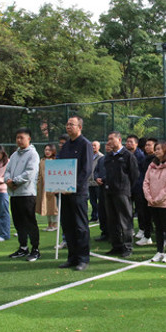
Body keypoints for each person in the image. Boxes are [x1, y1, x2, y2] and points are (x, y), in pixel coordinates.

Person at [57, 116, 93, 271]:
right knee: (67, 225)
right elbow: (59, 166)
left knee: (80, 226)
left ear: (80, 127)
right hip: (63, 193)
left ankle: (83, 258)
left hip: (78, 193)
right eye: (67, 124)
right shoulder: (65, 147)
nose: (68, 126)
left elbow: (86, 170)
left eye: (72, 124)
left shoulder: (85, 144)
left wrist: (73, 187)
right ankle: (72, 257)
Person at [4, 127, 41, 262]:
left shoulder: (33, 154)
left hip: (27, 194)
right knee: (18, 222)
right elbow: (7, 170)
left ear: (29, 139)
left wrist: (14, 181)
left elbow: (30, 173)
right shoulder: (14, 155)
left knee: (30, 222)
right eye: (17, 138)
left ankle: (35, 249)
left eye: (22, 138)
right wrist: (8, 181)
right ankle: (23, 247)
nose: (19, 140)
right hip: (14, 194)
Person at [104, 131, 140, 258]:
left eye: (111, 139)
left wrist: (125, 186)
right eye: (108, 139)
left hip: (122, 192)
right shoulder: (108, 157)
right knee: (112, 220)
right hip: (109, 191)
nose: (109, 141)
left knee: (125, 220)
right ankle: (116, 246)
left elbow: (134, 175)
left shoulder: (128, 156)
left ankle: (127, 247)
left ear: (119, 140)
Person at [143, 141, 166, 264]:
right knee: (158, 228)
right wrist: (149, 197)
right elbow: (146, 182)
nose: (156, 150)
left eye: (158, 149)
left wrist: (158, 198)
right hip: (152, 202)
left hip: (165, 202)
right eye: (156, 149)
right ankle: (159, 251)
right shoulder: (152, 164)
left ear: (165, 150)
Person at [135, 138, 157, 246]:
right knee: (146, 215)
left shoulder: (157, 159)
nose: (147, 147)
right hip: (144, 190)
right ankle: (147, 236)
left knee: (159, 216)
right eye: (146, 145)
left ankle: (165, 237)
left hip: (156, 191)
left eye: (150, 145)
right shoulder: (145, 159)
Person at [36, 144, 59, 231]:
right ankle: (49, 224)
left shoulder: (55, 160)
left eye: (49, 150)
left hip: (53, 187)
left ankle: (55, 225)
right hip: (43, 187)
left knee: (53, 206)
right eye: (46, 150)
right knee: (46, 206)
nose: (47, 152)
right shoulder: (42, 161)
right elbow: (39, 174)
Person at [93, 142, 112, 242]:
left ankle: (113, 233)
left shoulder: (114, 159)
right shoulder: (101, 159)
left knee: (111, 212)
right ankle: (104, 232)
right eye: (107, 146)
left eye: (110, 145)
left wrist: (104, 179)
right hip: (101, 188)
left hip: (112, 189)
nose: (108, 147)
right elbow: (95, 171)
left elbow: (113, 172)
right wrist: (96, 178)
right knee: (102, 211)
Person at [88, 141, 104, 222]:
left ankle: (100, 216)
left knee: (100, 201)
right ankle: (94, 216)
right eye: (92, 145)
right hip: (90, 182)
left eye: (95, 145)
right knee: (92, 201)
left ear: (99, 147)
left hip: (98, 183)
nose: (93, 147)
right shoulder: (89, 156)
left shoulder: (101, 157)